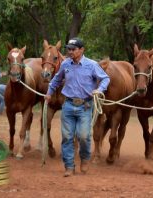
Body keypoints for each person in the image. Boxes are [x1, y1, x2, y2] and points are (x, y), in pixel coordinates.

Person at [44, 37, 110, 177]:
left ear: (81, 50)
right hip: (67, 105)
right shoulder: (65, 64)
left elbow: (105, 78)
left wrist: (100, 89)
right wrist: (49, 93)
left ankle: (84, 159)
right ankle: (69, 166)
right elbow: (56, 80)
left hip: (85, 106)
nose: (70, 51)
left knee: (84, 136)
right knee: (67, 137)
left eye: (73, 49)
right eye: (69, 49)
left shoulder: (91, 65)